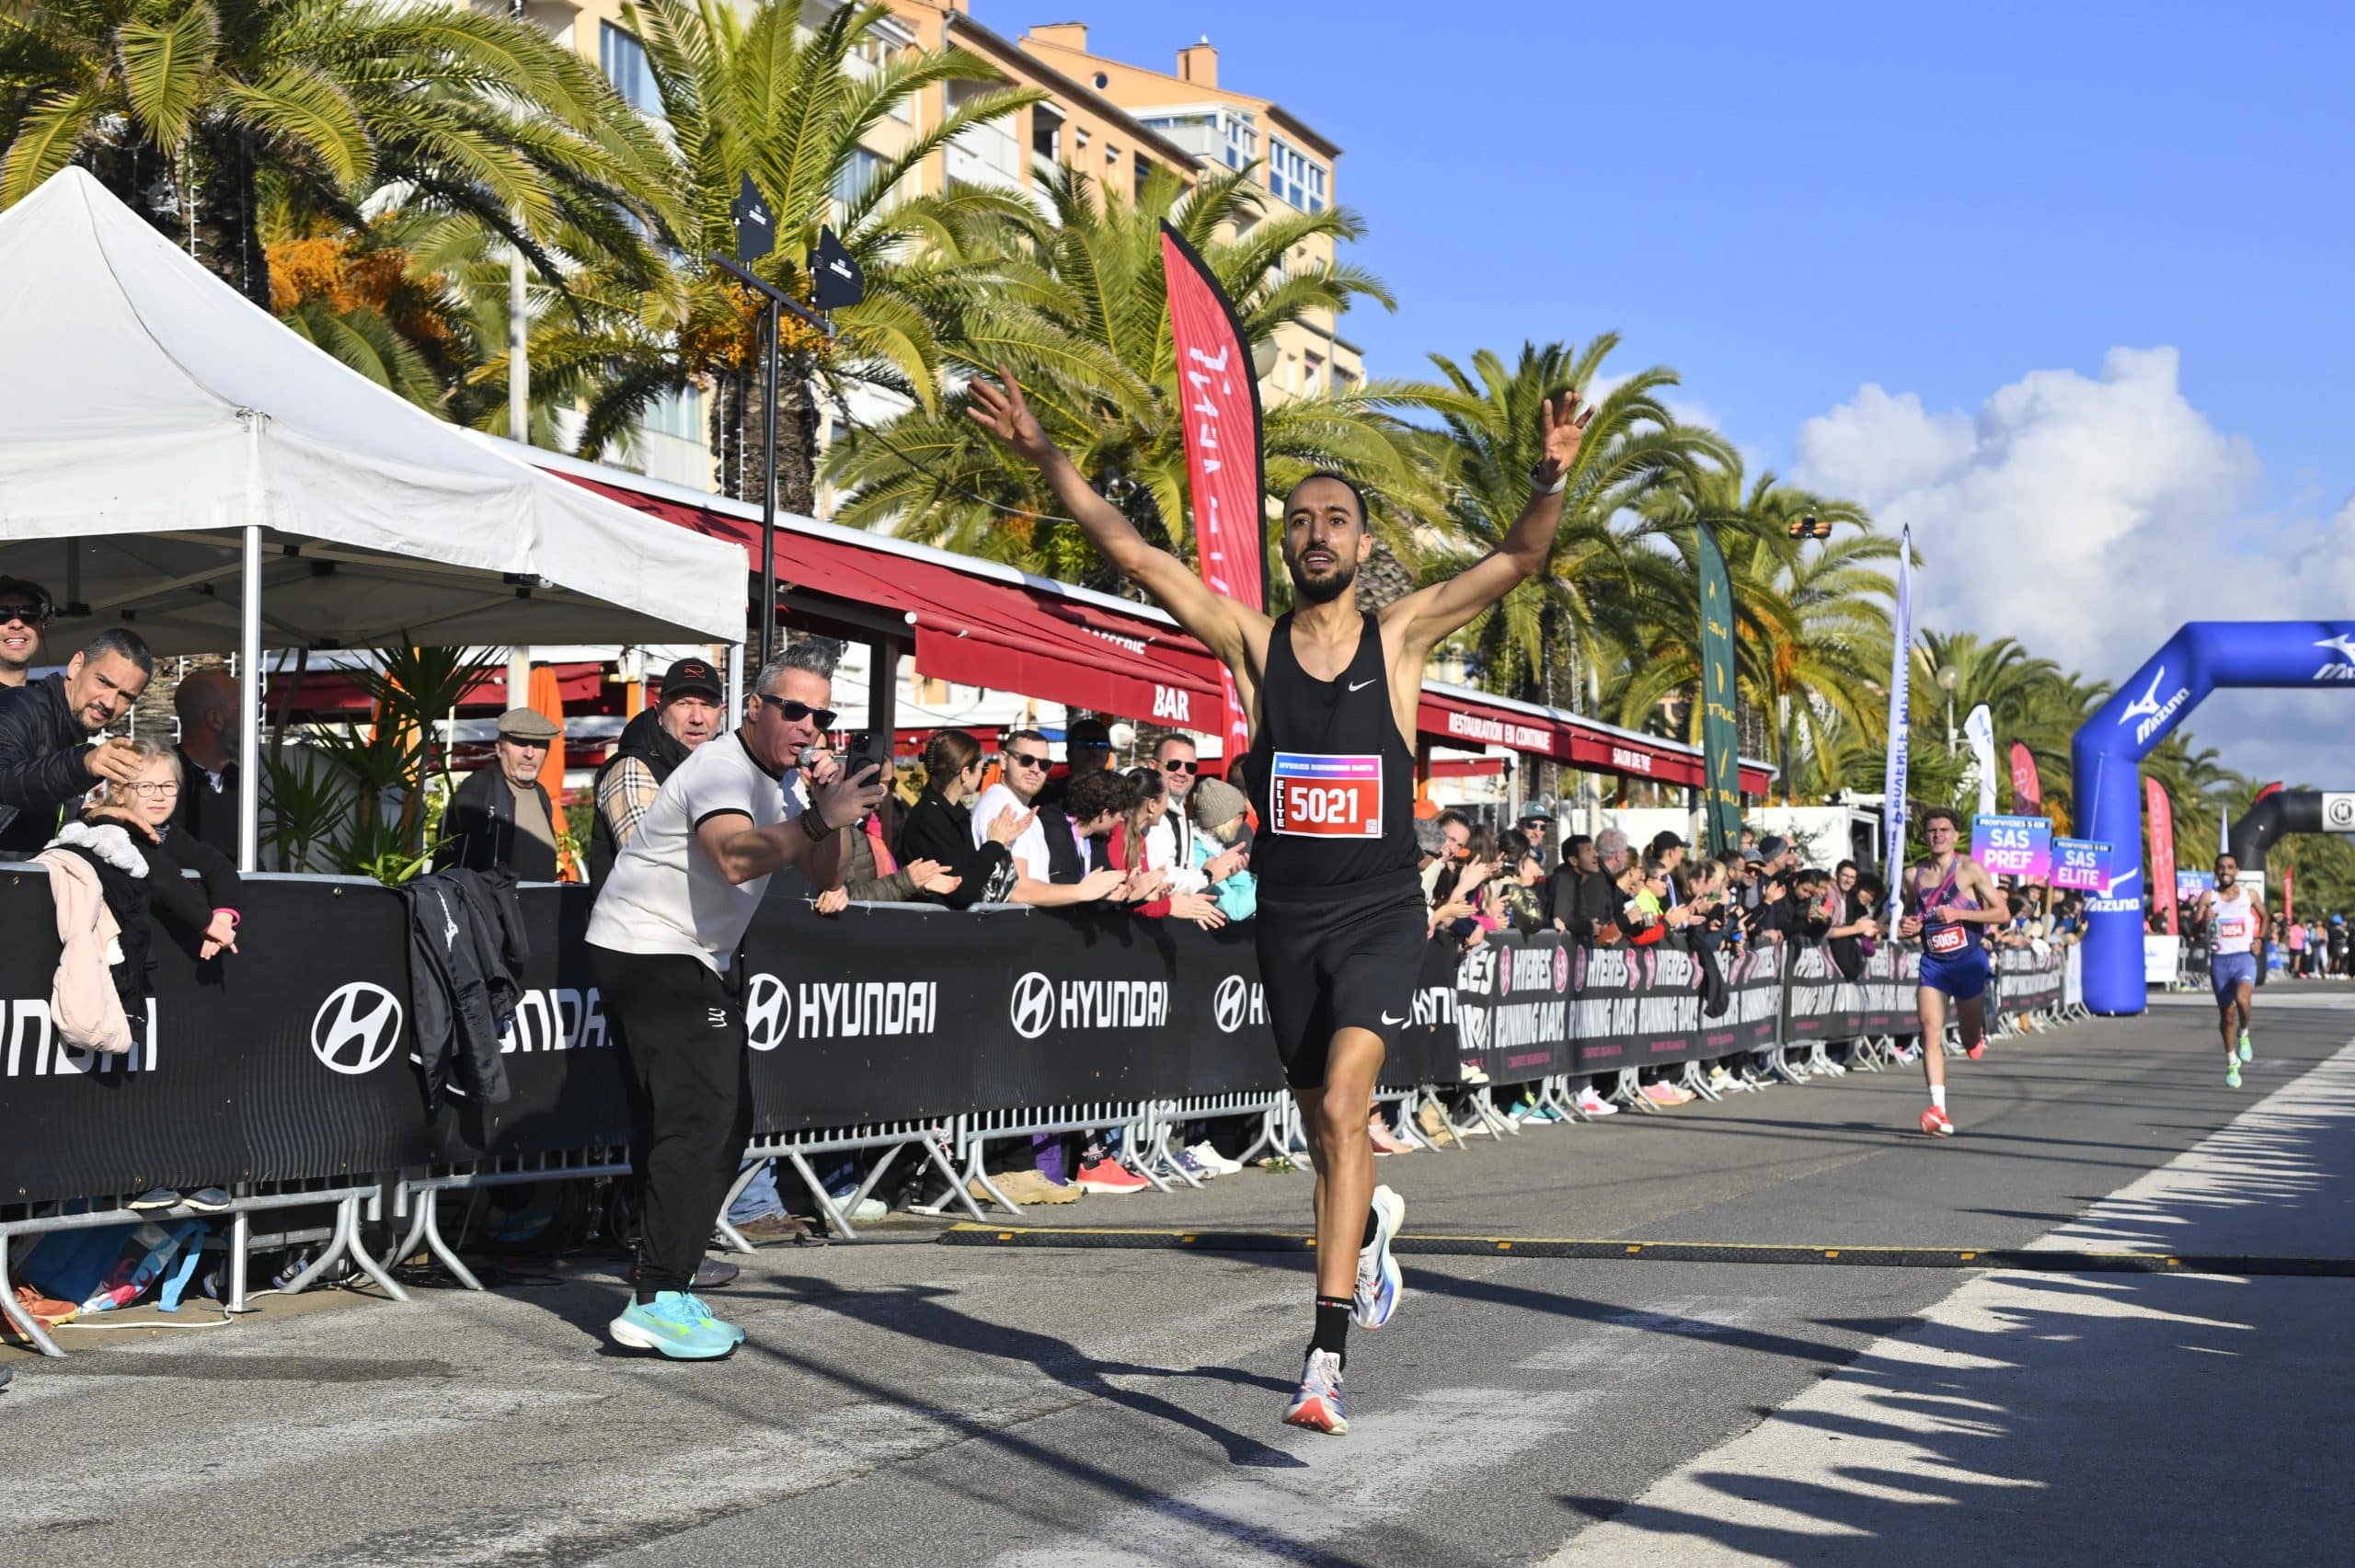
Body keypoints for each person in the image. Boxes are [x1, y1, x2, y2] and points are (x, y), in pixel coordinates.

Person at [971, 364, 1595, 1435]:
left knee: (1348, 1107)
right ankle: (1370, 1233)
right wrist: (1043, 457)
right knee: (1320, 1128)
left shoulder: (1399, 638)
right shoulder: (1252, 647)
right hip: (1289, 921)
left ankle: (1323, 1354)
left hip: (1379, 916)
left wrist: (1545, 475)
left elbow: (1520, 556)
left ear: (1361, 545)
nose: (1315, 534)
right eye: (1300, 521)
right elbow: (1132, 550)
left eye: (1336, 521)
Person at [585, 645, 885, 1359]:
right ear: (754, 707)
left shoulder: (782, 782)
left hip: (688, 954)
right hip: (648, 945)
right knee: (703, 1116)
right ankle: (656, 1293)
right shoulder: (721, 764)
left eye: (821, 713)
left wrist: (829, 807)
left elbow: (823, 870)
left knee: (724, 1119)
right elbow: (733, 856)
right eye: (794, 709)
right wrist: (818, 818)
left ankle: (668, 1283)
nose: (808, 725)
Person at [1895, 807, 2009, 1136]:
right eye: (1932, 830)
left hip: (1968, 961)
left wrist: (1960, 916)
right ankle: (1939, 1109)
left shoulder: (1970, 869)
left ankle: (1975, 1036)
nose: (1938, 835)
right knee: (1930, 1030)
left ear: (1955, 836)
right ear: (1925, 836)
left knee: (1969, 1037)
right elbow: (1910, 921)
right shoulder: (1912, 876)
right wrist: (1908, 925)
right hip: (1934, 964)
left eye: (1944, 830)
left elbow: (2001, 914)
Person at [0, 627, 153, 859]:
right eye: (103, 682)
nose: (110, 702)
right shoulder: (18, 706)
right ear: (76, 665)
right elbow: (4, 781)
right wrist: (82, 765)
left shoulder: (72, 731)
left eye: (126, 696)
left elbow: (41, 819)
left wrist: (91, 816)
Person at [589, 657, 725, 886]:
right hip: (636, 919)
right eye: (684, 704)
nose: (697, 718)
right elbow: (650, 865)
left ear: (722, 712)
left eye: (707, 705)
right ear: (660, 711)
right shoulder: (632, 767)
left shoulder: (721, 768)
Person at [967, 728, 1125, 907]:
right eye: (1026, 760)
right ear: (1004, 760)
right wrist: (1081, 891)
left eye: (1044, 764)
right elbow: (1017, 890)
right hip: (1011, 929)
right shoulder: (1004, 808)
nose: (1035, 769)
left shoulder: (1019, 808)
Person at [898, 730, 1025, 908]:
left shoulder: (947, 813)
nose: (983, 775)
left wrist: (1002, 841)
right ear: (966, 773)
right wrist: (994, 844)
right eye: (983, 769)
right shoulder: (930, 819)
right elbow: (962, 890)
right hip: (940, 928)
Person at [438, 707, 563, 881]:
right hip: (493, 905)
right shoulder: (479, 787)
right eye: (520, 743)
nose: (529, 753)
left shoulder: (540, 793)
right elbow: (453, 862)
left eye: (539, 744)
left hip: (540, 904)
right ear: (498, 748)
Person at [2192, 854, 2263, 1086]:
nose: (2225, 871)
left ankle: (2244, 1034)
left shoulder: (2249, 894)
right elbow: (2194, 928)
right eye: (2221, 867)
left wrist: (2260, 939)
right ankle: (2232, 1062)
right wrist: (2204, 917)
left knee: (2243, 1000)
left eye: (2230, 867)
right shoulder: (2208, 896)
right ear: (2215, 870)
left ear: (2237, 871)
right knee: (2226, 1015)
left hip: (2244, 958)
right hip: (2220, 961)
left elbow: (2265, 915)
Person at [169, 667, 244, 860]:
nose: (251, 720)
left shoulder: (243, 781)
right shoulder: (163, 779)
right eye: (243, 710)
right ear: (215, 719)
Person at [1189, 776, 1258, 921]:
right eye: (1242, 815)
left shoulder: (1215, 847)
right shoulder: (1198, 854)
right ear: (1227, 820)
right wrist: (1267, 884)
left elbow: (1241, 888)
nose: (1245, 821)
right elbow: (1236, 909)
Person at [0, 575, 52, 689]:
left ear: (42, 627)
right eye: (2, 613)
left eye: (29, 613)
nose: (17, 624)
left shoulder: (49, 703)